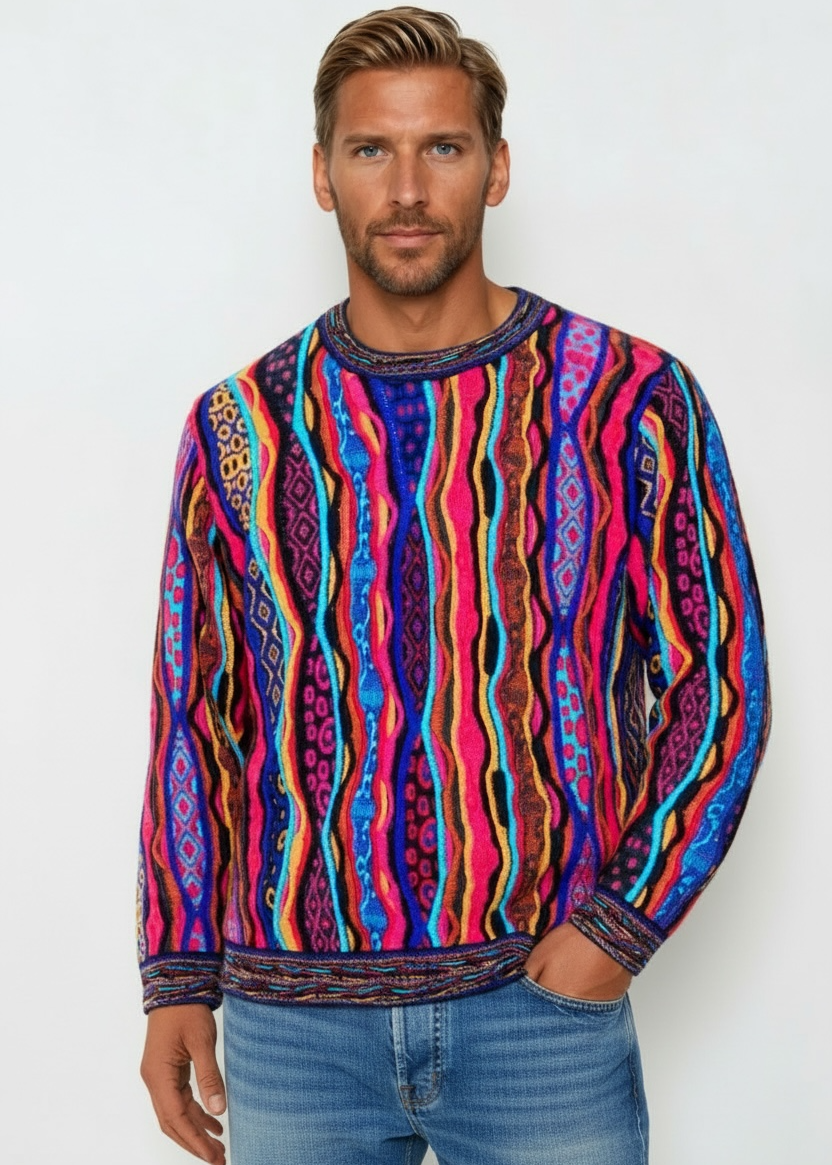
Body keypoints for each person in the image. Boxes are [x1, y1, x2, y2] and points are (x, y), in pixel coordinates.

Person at [137, 8, 770, 1164]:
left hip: (538, 1017)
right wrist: (177, 972)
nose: (407, 188)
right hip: (290, 1030)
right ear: (322, 175)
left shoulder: (626, 398)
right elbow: (194, 713)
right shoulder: (239, 426)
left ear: (497, 165)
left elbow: (717, 684)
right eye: (370, 149)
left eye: (443, 146)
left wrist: (617, 929)